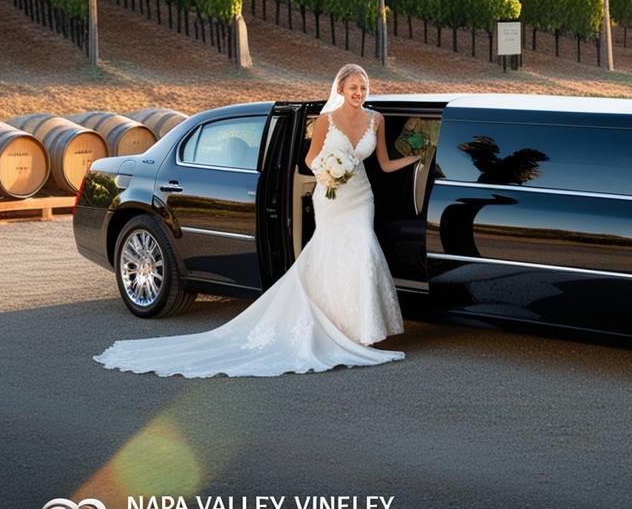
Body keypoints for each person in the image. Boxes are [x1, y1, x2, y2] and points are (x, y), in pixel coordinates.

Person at [94, 64, 423, 377]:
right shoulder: (326, 120)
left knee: (361, 251)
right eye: (353, 87)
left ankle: (361, 331)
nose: (359, 92)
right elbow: (310, 158)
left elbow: (384, 163)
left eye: (363, 87)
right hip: (330, 193)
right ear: (341, 89)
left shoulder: (376, 119)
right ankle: (338, 328)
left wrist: (420, 158)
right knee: (332, 254)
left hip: (361, 196)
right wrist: (330, 173)